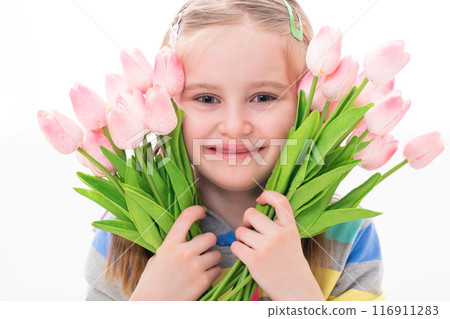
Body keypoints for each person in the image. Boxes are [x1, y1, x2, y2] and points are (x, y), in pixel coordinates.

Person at [83, 0, 385, 301]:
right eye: (207, 99)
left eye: (263, 97)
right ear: (165, 100)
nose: (234, 125)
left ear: (307, 98)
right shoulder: (126, 228)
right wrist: (151, 302)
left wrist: (299, 295)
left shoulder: (345, 231)